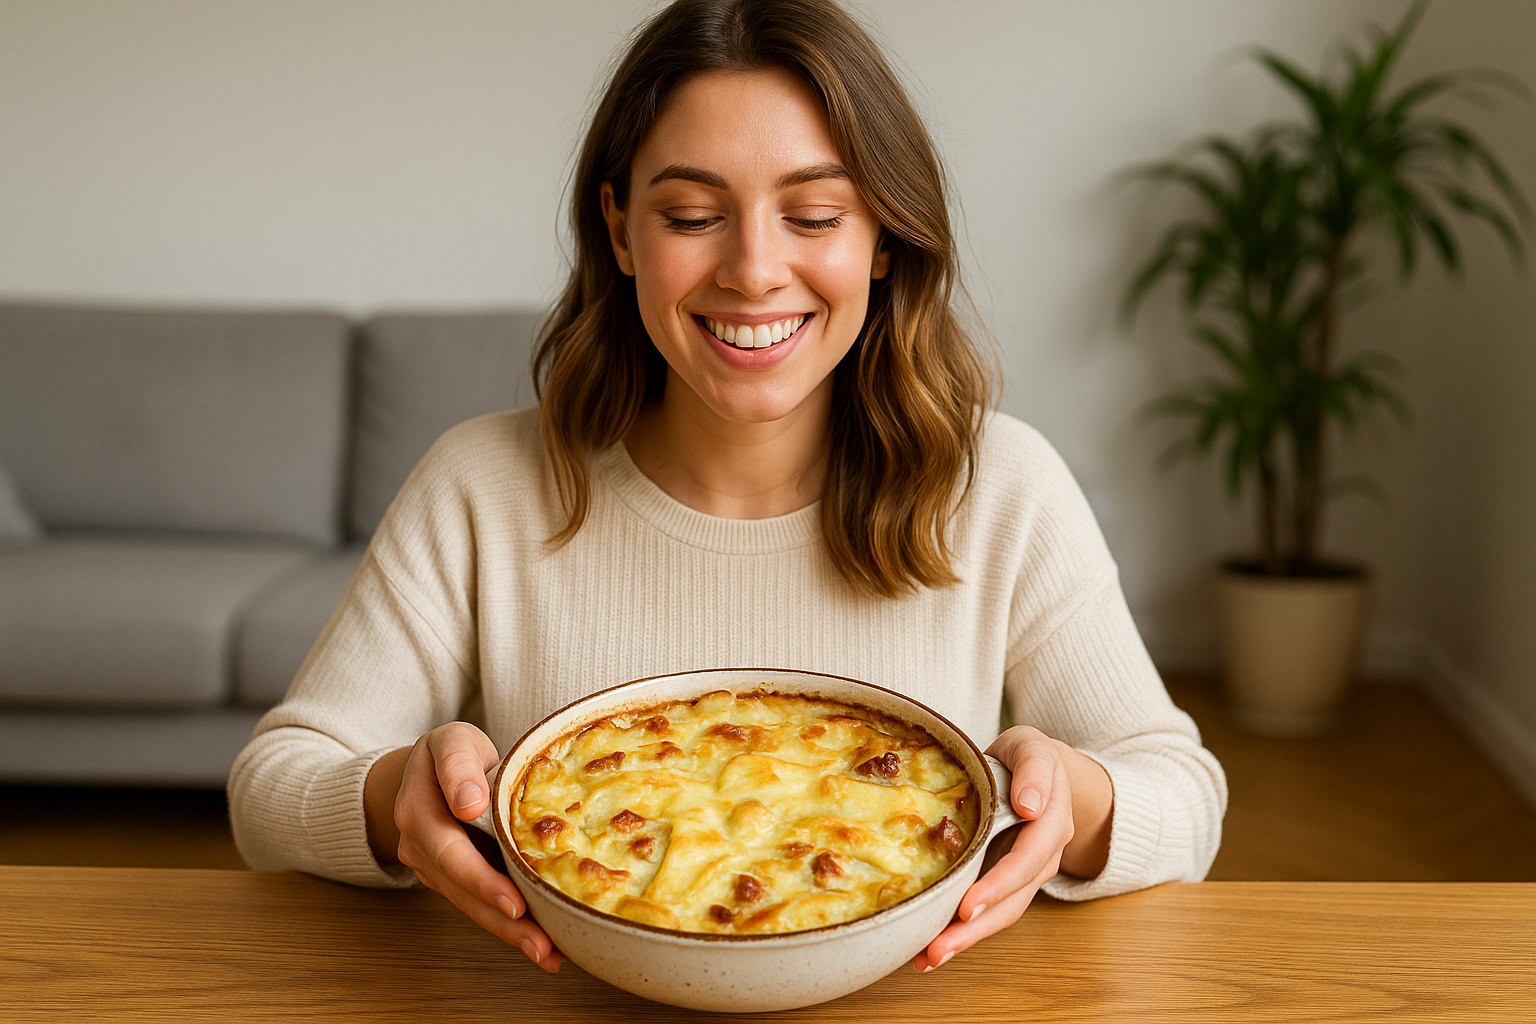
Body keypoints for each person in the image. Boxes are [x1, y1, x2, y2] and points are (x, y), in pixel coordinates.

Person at [229, 0, 1226, 977]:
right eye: (693, 216)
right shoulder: (480, 486)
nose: (754, 270)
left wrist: (1074, 799)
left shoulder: (1000, 486)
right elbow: (269, 789)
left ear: (883, 236)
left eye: (814, 215)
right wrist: (394, 796)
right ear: (621, 231)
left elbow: (1186, 797)